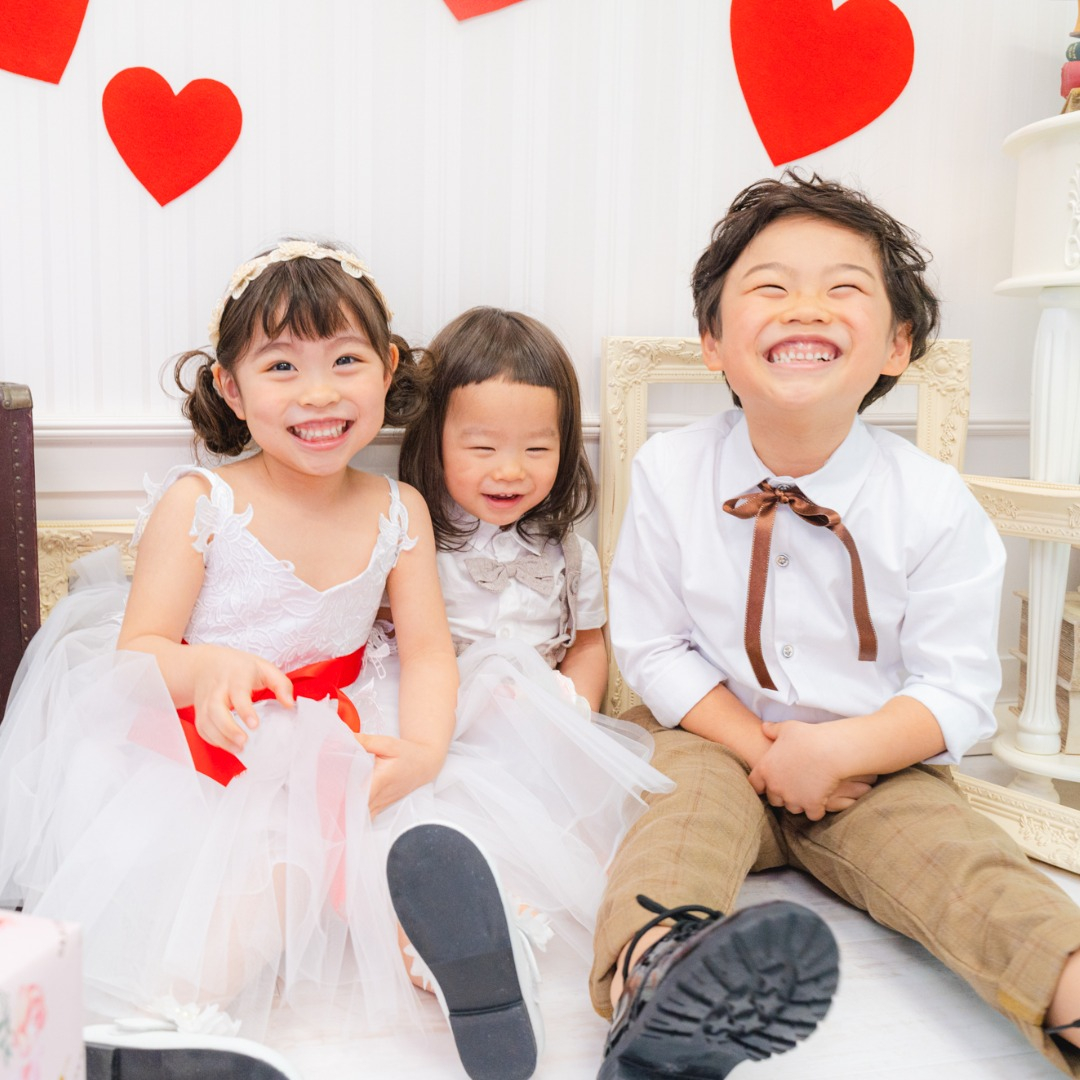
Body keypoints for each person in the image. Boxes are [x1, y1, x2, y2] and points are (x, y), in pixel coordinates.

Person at [591, 172, 1080, 1080]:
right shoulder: (669, 470)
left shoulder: (932, 499)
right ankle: (654, 986)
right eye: (770, 286)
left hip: (875, 766)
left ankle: (1072, 993)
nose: (806, 306)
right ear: (712, 341)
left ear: (897, 344)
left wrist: (839, 751)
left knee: (963, 865)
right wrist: (762, 748)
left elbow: (957, 689)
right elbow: (655, 646)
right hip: (714, 737)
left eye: (844, 287)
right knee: (673, 824)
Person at [0, 241, 525, 1080]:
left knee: (421, 834)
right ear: (231, 388)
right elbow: (139, 652)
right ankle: (157, 1020)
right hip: (216, 747)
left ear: (387, 369)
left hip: (351, 725)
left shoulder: (400, 508)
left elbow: (428, 652)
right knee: (270, 879)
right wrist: (209, 667)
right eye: (282, 366)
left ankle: (463, 962)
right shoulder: (202, 503)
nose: (319, 393)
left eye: (346, 360)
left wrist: (424, 751)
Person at [373, 306, 674, 1074]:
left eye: (537, 448)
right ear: (434, 442)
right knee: (433, 825)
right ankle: (448, 945)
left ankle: (540, 944)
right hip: (442, 726)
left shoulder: (569, 552)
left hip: (538, 729)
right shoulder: (411, 538)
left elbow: (589, 641)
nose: (511, 470)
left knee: (597, 841)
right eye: (482, 447)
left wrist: (574, 704)